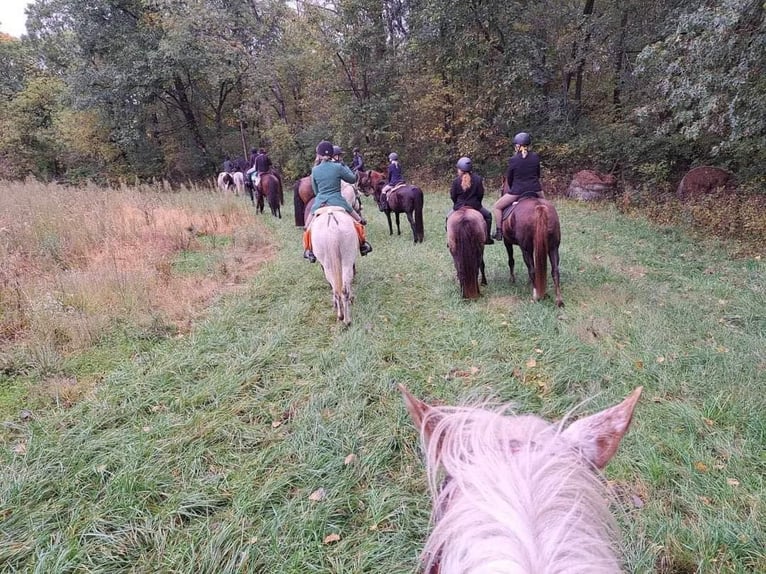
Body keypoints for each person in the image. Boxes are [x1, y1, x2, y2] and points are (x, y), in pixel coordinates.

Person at [303, 140, 372, 262]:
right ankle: (363, 244)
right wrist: (345, 168)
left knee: (307, 227)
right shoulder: (338, 167)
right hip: (338, 201)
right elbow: (352, 179)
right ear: (332, 154)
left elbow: (315, 190)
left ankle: (308, 249)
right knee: (359, 221)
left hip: (320, 201)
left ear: (318, 154)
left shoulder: (315, 170)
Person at [492, 132, 545, 240]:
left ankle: (499, 232)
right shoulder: (535, 157)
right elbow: (538, 174)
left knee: (497, 207)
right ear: (528, 145)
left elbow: (510, 178)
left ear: (517, 146)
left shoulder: (513, 160)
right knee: (547, 206)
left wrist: (512, 189)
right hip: (536, 190)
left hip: (518, 191)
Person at [449, 156, 494, 245]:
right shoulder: (478, 179)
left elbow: (453, 196)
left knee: (448, 219)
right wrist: (478, 204)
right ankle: (487, 238)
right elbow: (480, 194)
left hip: (459, 206)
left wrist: (457, 204)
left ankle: (451, 241)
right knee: (488, 216)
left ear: (460, 170)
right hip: (475, 205)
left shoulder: (455, 181)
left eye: (458, 169)